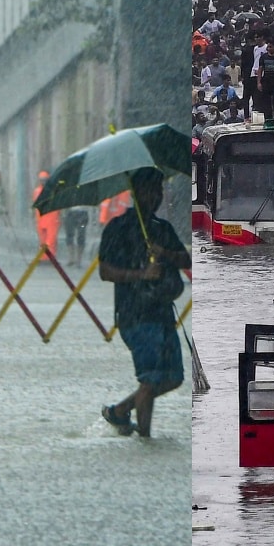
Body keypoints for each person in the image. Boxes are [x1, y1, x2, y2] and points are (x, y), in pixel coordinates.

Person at [99, 168, 192, 438]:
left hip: (163, 313)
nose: (156, 197)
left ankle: (120, 410)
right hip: (134, 316)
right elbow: (105, 272)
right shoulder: (117, 228)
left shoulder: (162, 229)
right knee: (150, 380)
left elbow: (186, 260)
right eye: (150, 191)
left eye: (159, 191)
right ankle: (145, 438)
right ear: (135, 193)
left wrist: (165, 254)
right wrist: (141, 274)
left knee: (173, 378)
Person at [32, 171, 60, 254]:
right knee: (42, 240)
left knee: (51, 240)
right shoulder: (36, 191)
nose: (43, 182)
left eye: (44, 180)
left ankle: (50, 258)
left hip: (52, 219)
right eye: (41, 180)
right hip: (40, 219)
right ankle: (43, 257)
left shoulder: (53, 191)